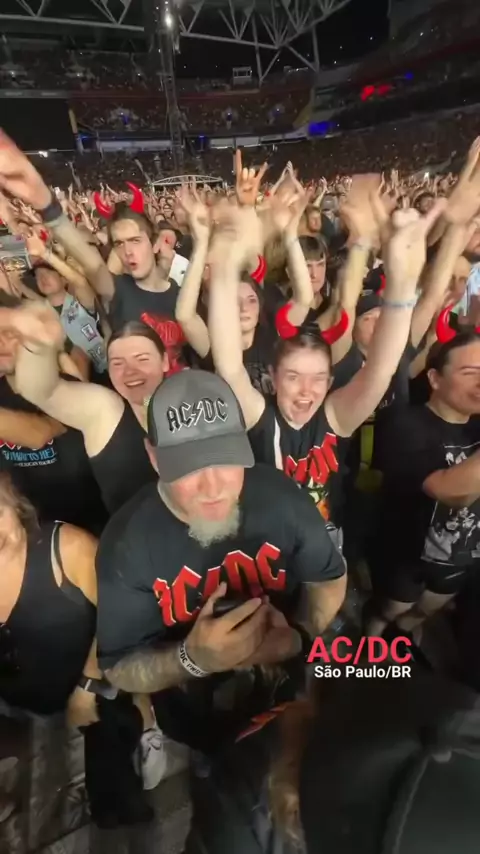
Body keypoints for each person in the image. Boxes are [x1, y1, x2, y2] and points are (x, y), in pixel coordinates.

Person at [97, 369, 346, 754]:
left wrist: (300, 634)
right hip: (189, 703)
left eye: (226, 458)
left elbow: (328, 578)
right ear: (154, 457)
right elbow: (118, 666)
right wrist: (192, 659)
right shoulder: (126, 544)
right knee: (209, 756)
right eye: (189, 466)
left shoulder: (284, 501)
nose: (213, 488)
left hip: (280, 685)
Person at [207, 188, 445, 541]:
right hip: (267, 546)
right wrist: (226, 262)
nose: (306, 391)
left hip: (325, 545)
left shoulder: (335, 417)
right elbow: (229, 366)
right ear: (273, 377)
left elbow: (380, 369)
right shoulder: (261, 417)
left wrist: (402, 286)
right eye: (293, 376)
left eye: (318, 378)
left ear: (331, 380)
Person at [0, 473, 150, 828]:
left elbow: (121, 615)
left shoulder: (67, 549)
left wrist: (88, 687)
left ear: (15, 504)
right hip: (18, 700)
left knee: (115, 794)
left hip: (91, 687)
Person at [368, 333, 480, 640]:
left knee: (424, 612)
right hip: (407, 555)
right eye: (469, 373)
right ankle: (372, 641)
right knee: (390, 609)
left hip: (462, 555)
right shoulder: (405, 425)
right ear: (434, 378)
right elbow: (448, 491)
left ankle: (400, 635)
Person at [9, 306, 165, 515]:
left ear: (164, 361)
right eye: (118, 363)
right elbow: (44, 392)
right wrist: (37, 345)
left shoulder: (192, 401)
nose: (130, 371)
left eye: (142, 359)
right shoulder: (105, 411)